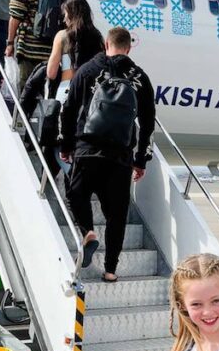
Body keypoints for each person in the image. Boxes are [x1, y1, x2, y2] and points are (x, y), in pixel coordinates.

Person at [59, 26, 155, 282]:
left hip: (87, 150)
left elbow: (68, 110)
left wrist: (66, 145)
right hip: (121, 157)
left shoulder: (88, 70)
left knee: (75, 194)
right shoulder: (140, 78)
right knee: (117, 214)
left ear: (105, 44)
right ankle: (111, 269)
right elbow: (147, 123)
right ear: (129, 47)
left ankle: (88, 231)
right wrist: (140, 160)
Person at [7, 0, 70, 94]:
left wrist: (10, 42)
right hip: (52, 48)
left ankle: (23, 115)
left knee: (26, 89)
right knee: (45, 91)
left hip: (28, 46)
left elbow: (16, 14)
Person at [46, 0, 104, 85]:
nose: (64, 19)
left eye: (66, 14)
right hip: (91, 91)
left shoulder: (62, 36)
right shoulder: (97, 37)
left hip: (68, 88)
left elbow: (51, 73)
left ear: (73, 14)